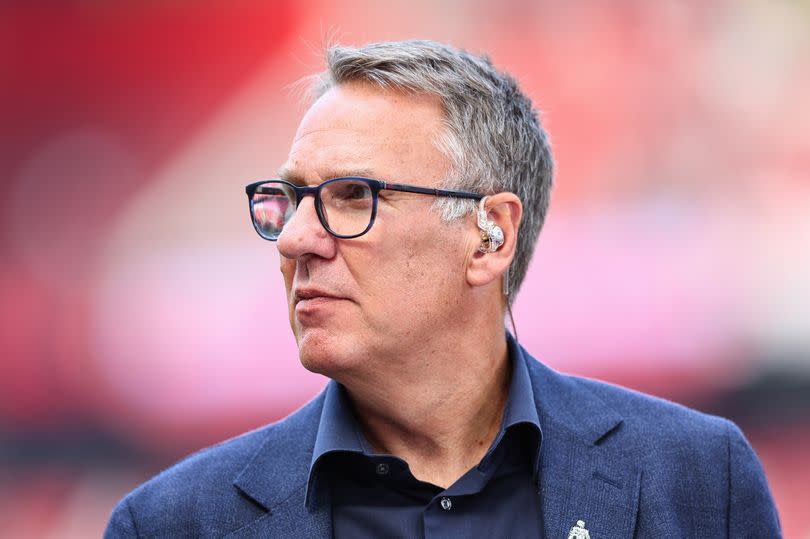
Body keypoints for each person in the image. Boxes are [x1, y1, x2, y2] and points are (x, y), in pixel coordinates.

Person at [105, 40, 781, 538]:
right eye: (290, 199)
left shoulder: (696, 479)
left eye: (351, 197)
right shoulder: (171, 523)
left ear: (490, 234)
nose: (295, 239)